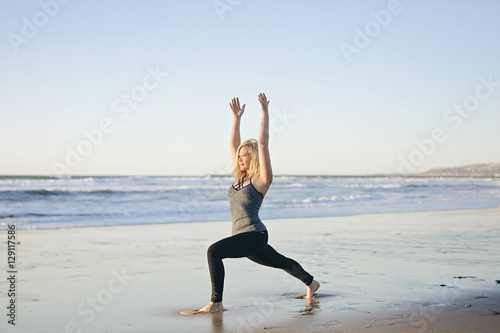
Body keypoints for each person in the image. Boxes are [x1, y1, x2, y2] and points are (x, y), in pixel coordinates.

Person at [198, 93, 320, 313]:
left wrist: (264, 112)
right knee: (281, 261)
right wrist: (236, 118)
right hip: (245, 238)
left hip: (255, 235)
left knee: (213, 251)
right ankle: (312, 283)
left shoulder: (261, 180)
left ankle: (217, 302)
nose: (240, 158)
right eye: (239, 156)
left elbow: (262, 144)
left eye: (245, 155)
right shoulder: (239, 179)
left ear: (253, 157)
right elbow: (234, 146)